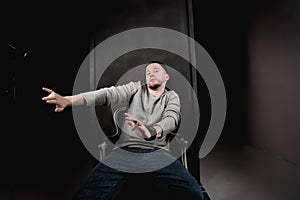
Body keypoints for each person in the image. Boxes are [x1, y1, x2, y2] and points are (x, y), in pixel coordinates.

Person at [42, 61, 204, 200]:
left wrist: (150, 132)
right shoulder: (135, 89)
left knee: (194, 193)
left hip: (157, 153)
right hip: (124, 152)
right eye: (148, 72)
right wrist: (68, 100)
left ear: (166, 77)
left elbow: (172, 119)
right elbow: (105, 94)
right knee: (87, 195)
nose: (151, 74)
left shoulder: (172, 97)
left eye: (156, 71)